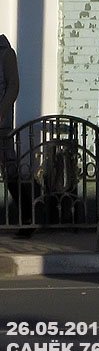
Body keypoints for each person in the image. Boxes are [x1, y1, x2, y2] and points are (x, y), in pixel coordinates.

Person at [0, 34, 33, 237]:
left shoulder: (6, 54)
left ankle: (27, 218)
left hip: (1, 125)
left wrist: (1, 111)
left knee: (10, 171)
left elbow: (13, 87)